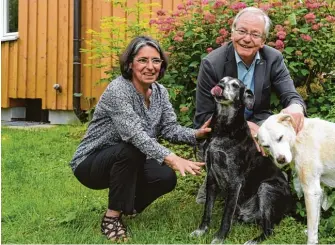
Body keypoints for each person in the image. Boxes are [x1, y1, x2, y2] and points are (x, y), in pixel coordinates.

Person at [69, 36, 211, 241]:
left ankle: (127, 207)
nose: (150, 66)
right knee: (131, 148)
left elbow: (169, 128)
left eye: (156, 60)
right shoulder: (118, 91)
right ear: (130, 64)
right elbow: (135, 135)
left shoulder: (160, 92)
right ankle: (111, 218)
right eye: (143, 60)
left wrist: (197, 134)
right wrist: (172, 158)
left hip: (129, 160)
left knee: (165, 177)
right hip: (90, 163)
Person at [193, 7, 306, 204]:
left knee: (275, 133)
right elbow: (204, 116)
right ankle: (215, 181)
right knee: (229, 148)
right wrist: (246, 128)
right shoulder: (212, 63)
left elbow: (290, 95)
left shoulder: (273, 58)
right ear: (232, 32)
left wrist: (296, 107)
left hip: (258, 120)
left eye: (255, 34)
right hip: (221, 127)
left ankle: (276, 186)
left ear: (263, 41)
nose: (247, 39)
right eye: (242, 31)